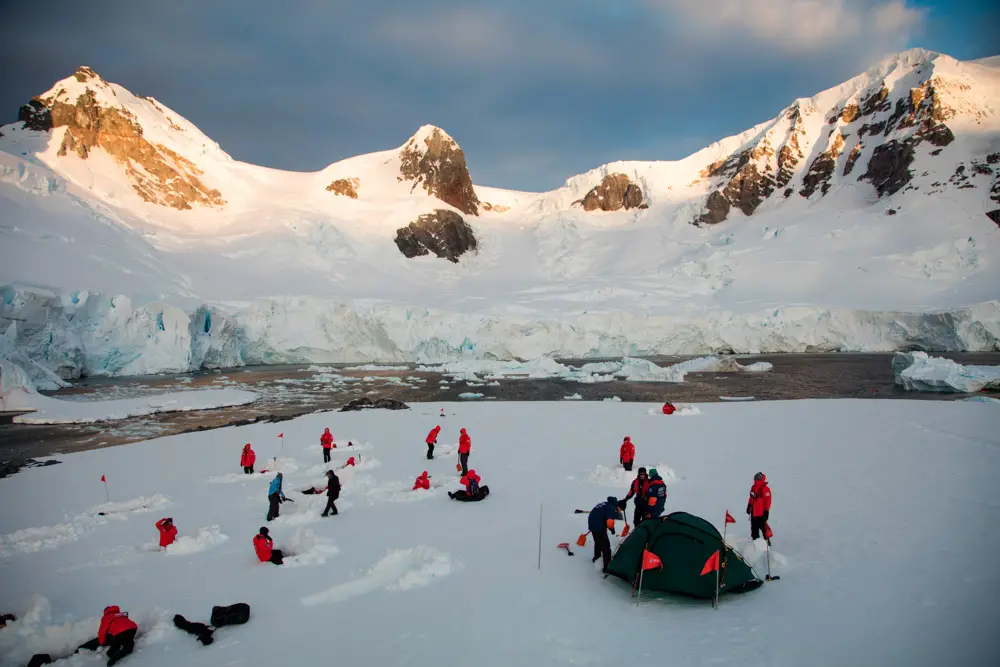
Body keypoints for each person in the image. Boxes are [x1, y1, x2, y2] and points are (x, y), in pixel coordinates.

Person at [588, 496, 622, 573]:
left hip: (592, 523)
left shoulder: (606, 504)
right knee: (606, 547)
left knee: (598, 541)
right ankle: (607, 567)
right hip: (598, 525)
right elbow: (610, 523)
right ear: (618, 506)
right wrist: (612, 530)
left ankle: (596, 557)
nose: (620, 511)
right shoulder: (612, 508)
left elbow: (602, 515)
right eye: (621, 509)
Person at [747, 472, 772, 544]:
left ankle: (767, 545)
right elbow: (751, 498)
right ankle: (756, 543)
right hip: (754, 512)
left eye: (758, 477)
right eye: (756, 477)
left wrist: (766, 510)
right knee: (754, 529)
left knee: (764, 529)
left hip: (761, 512)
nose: (756, 479)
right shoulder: (753, 487)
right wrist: (749, 506)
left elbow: (768, 500)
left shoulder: (765, 488)